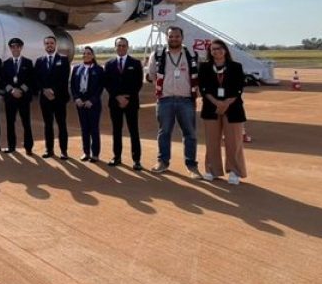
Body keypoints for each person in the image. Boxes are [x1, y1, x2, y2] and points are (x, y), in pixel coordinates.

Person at [147, 26, 202, 178]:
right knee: (164, 132)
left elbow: (198, 75)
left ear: (182, 38)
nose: (174, 39)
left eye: (177, 36)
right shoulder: (157, 55)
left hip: (186, 100)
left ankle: (192, 165)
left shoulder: (191, 55)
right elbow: (151, 75)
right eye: (171, 36)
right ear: (167, 38)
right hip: (165, 100)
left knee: (190, 133)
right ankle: (162, 161)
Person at [199, 40, 248, 185]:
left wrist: (226, 103)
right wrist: (216, 102)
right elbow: (203, 88)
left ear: (225, 50)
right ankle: (212, 170)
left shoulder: (235, 67)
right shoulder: (205, 67)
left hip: (232, 108)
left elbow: (239, 88)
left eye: (219, 48)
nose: (216, 51)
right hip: (211, 107)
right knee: (212, 141)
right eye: (213, 49)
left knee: (234, 141)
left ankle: (234, 170)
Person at [104, 37, 144, 170]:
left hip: (131, 103)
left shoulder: (136, 63)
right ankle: (117, 157)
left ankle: (136, 160)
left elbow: (138, 83)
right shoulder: (109, 64)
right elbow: (107, 83)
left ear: (127, 47)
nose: (121, 48)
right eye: (119, 45)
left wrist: (127, 98)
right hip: (115, 103)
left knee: (134, 131)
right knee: (116, 131)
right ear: (115, 47)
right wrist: (117, 97)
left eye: (123, 45)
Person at [35, 36, 71, 159]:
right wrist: (44, 90)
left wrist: (53, 90)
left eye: (51, 43)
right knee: (48, 125)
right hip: (45, 98)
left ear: (55, 45)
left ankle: (63, 151)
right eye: (47, 43)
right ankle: (49, 150)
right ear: (44, 46)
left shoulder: (63, 59)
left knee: (62, 125)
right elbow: (37, 79)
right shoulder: (40, 61)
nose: (49, 45)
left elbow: (64, 78)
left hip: (59, 98)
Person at [1, 38, 35, 155]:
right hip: (10, 99)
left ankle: (28, 147)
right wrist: (11, 91)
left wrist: (20, 90)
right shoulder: (5, 64)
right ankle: (11, 146)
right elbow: (3, 81)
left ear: (21, 48)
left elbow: (31, 80)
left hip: (23, 98)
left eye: (17, 46)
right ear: (10, 48)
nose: (15, 49)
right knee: (10, 123)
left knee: (26, 123)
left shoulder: (28, 63)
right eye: (13, 47)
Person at [70, 46, 104, 162]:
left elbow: (100, 87)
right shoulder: (76, 69)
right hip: (80, 104)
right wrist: (76, 98)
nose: (86, 55)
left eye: (89, 53)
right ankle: (86, 152)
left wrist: (92, 100)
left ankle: (95, 154)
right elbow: (73, 86)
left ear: (93, 55)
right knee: (84, 129)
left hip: (93, 105)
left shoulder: (98, 69)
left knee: (94, 129)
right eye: (84, 53)